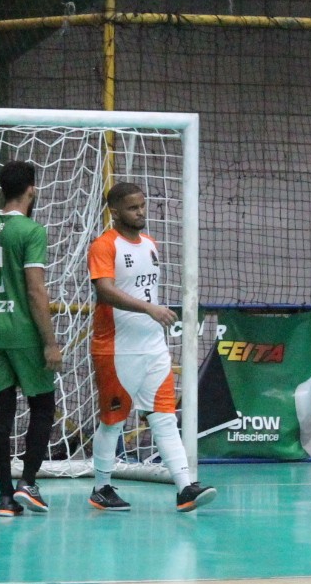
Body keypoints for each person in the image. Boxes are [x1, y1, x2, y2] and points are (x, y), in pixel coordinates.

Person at [86, 181, 215, 514]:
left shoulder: (150, 244)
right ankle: (101, 487)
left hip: (153, 348)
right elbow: (105, 291)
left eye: (142, 205)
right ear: (115, 211)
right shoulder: (104, 245)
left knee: (164, 418)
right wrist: (149, 309)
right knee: (113, 421)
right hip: (117, 349)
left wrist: (152, 313)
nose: (140, 212)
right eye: (132, 207)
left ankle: (185, 487)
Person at [0, 160, 61, 517]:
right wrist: (49, 341)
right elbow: (35, 290)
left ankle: (5, 497)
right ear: (31, 190)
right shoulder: (32, 231)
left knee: (1, 414)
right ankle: (29, 482)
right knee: (43, 405)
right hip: (23, 332)